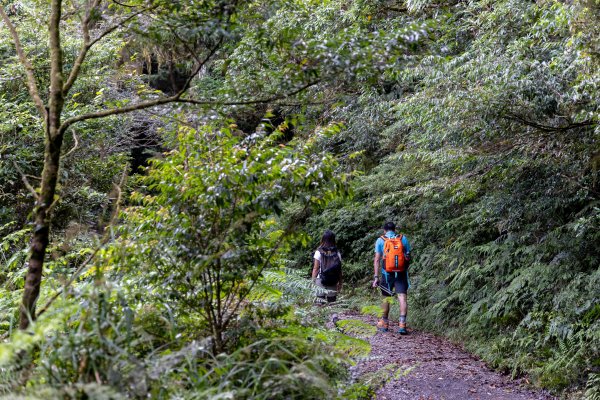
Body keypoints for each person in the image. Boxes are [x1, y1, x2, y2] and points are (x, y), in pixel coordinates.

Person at [372, 222, 412, 334]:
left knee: (386, 298)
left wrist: (376, 277)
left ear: (384, 230)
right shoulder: (403, 239)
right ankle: (402, 324)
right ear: (395, 230)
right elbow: (408, 256)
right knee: (402, 297)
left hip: (386, 273)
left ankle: (384, 323)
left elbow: (377, 260)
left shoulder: (381, 240)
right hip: (401, 273)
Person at [311, 230, 343, 303]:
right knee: (332, 302)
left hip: (320, 279)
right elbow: (339, 269)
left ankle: (321, 315)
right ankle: (333, 314)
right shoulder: (337, 252)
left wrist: (313, 282)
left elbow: (315, 268)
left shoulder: (319, 252)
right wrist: (340, 282)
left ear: (323, 239)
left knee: (319, 303)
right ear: (333, 239)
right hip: (333, 280)